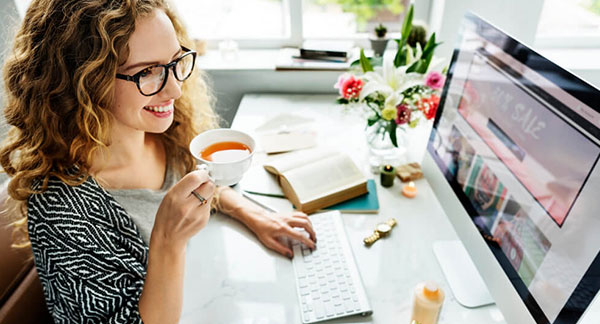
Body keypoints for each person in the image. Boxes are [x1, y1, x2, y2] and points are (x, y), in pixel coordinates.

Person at [0, 0, 316, 323]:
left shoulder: (162, 129)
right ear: (85, 79)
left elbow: (197, 182)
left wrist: (252, 214)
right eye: (148, 71)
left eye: (175, 62)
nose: (176, 90)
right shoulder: (60, 210)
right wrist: (168, 243)